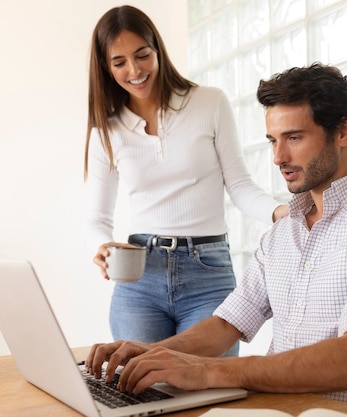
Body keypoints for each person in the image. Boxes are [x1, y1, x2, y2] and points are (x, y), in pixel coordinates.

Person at [84, 63, 347, 417]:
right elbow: (227, 324)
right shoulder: (281, 234)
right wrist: (149, 356)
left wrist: (208, 372)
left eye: (294, 137)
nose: (278, 157)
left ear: (343, 132)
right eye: (273, 140)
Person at [83, 5, 287, 353]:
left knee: (208, 391)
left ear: (157, 49)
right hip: (138, 278)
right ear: (106, 66)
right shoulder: (107, 129)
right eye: (119, 62)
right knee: (141, 392)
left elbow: (239, 186)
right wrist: (101, 246)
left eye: (142, 55)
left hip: (207, 273)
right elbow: (97, 219)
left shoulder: (208, 103)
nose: (134, 71)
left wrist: (279, 212)